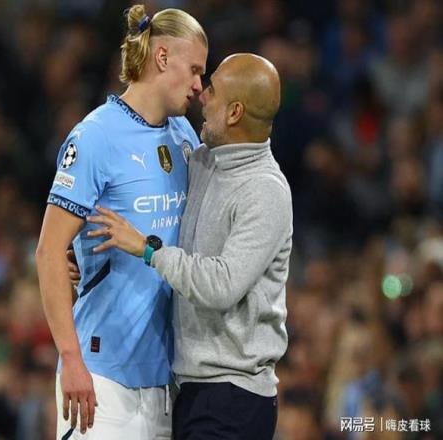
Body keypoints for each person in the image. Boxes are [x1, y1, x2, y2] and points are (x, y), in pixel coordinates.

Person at [86, 53, 293, 440]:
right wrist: (86, 258)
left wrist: (147, 250)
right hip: (190, 389)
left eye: (211, 89)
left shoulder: (265, 191)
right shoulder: (202, 161)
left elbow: (221, 285)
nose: (202, 95)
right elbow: (156, 215)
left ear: (234, 112)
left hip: (234, 396)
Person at [35, 4, 207, 439]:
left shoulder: (184, 136)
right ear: (162, 57)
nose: (198, 85)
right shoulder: (95, 136)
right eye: (194, 70)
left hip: (165, 383)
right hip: (100, 380)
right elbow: (49, 251)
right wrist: (71, 360)